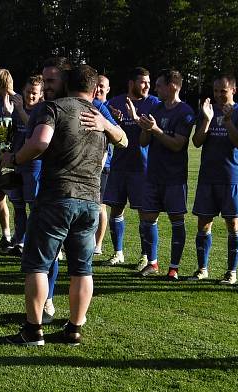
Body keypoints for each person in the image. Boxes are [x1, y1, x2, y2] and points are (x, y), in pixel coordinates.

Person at [4, 64, 126, 346]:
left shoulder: (55, 108)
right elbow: (125, 141)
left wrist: (15, 159)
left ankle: (33, 331)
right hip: (90, 202)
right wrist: (107, 125)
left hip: (56, 197)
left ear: (66, 83)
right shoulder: (99, 112)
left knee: (37, 264)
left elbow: (40, 142)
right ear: (95, 89)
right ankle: (73, 330)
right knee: (82, 269)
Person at [189, 74, 238, 284]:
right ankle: (202, 269)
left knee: (233, 223)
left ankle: (231, 272)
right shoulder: (207, 109)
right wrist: (206, 119)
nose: (218, 95)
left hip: (229, 176)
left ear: (233, 90)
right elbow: (197, 142)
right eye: (215, 91)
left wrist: (227, 121)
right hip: (207, 176)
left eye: (222, 91)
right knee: (203, 224)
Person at [136, 69, 196, 279]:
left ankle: (174, 268)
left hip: (174, 178)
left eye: (159, 85)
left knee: (176, 220)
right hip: (153, 175)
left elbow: (177, 145)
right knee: (148, 219)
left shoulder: (185, 112)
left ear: (172, 86)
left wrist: (156, 130)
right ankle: (152, 263)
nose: (155, 89)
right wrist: (145, 129)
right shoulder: (156, 108)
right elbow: (143, 142)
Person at [103, 67, 160, 269]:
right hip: (118, 166)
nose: (147, 86)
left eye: (148, 82)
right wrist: (112, 121)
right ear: (131, 83)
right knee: (116, 210)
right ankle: (118, 253)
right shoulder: (114, 103)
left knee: (145, 215)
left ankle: (146, 256)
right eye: (143, 82)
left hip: (142, 168)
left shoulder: (154, 103)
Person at [6, 75, 44, 256]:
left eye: (34, 93)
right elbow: (12, 133)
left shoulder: (42, 112)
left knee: (33, 206)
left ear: (41, 94)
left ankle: (33, 242)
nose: (30, 96)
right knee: (17, 205)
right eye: (28, 92)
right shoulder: (15, 110)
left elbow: (31, 126)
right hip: (17, 163)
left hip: (34, 165)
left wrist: (20, 108)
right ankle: (19, 241)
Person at [0, 68, 22, 250]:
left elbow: (15, 133)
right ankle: (6, 236)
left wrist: (8, 116)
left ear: (0, 83)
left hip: (11, 158)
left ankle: (20, 237)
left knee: (16, 199)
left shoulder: (18, 100)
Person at [93, 74, 112, 256]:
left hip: (104, 164)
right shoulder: (91, 105)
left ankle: (98, 244)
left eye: (102, 86)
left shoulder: (107, 109)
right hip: (87, 163)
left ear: (107, 89)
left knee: (100, 205)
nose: (98, 89)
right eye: (96, 85)